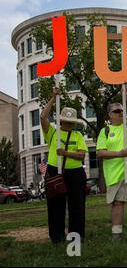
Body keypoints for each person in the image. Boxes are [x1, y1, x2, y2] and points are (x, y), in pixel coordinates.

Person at [96, 88, 127, 240]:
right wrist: (119, 154)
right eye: (116, 111)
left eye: (122, 110)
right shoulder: (105, 131)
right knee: (117, 203)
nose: (120, 112)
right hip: (114, 173)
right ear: (109, 115)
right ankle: (116, 232)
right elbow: (100, 153)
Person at [40, 87, 87, 244]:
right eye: (65, 121)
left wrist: (66, 153)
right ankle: (57, 238)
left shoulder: (78, 135)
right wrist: (53, 98)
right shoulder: (53, 133)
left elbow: (81, 155)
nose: (68, 124)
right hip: (55, 172)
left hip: (75, 173)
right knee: (55, 207)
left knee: (77, 207)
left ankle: (76, 238)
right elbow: (42, 117)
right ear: (60, 120)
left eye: (71, 122)